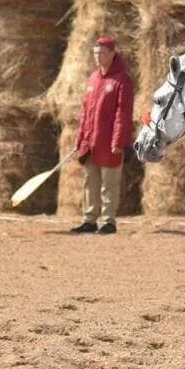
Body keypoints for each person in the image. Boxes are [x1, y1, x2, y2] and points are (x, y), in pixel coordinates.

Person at [70, 36, 134, 235]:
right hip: (91, 142)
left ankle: (108, 221)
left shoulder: (122, 80)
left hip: (109, 142)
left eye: (102, 53)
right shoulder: (93, 78)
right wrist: (80, 139)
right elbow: (85, 112)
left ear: (113, 54)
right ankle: (89, 220)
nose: (98, 57)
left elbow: (123, 113)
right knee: (90, 182)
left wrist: (118, 141)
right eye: (96, 53)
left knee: (109, 183)